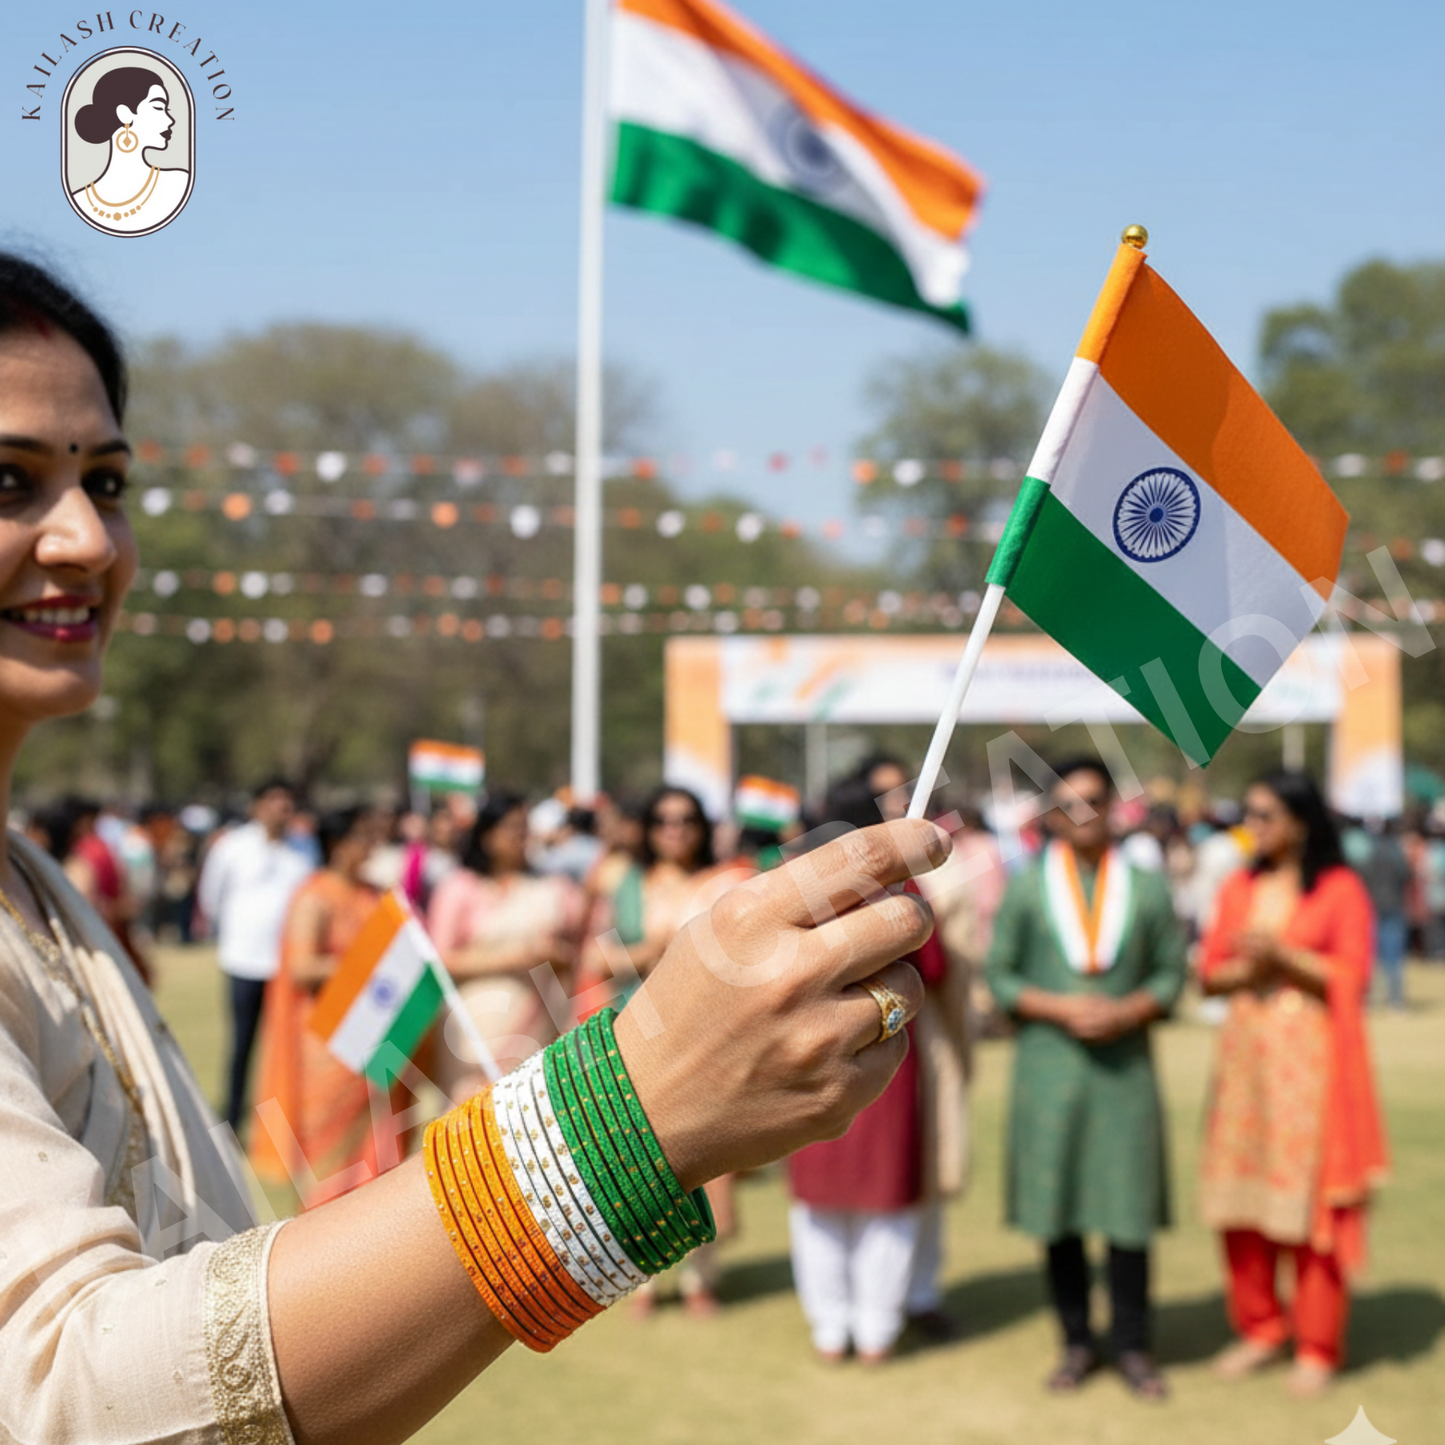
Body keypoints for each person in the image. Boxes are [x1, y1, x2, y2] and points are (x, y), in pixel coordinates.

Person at [0, 250, 949, 1445]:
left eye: (110, 479)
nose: (85, 537)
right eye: (9, 479)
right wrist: (630, 1110)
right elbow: (50, 1396)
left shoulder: (31, 881)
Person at [985, 757, 1186, 1400]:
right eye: (1069, 802)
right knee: (1059, 1210)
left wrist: (1127, 1009)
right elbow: (1001, 975)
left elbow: (1171, 976)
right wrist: (1058, 1007)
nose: (1083, 813)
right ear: (1050, 812)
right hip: (1050, 1071)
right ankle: (1076, 1342)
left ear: (1115, 807)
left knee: (1128, 1215)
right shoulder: (1026, 887)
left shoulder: (1148, 887)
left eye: (1094, 800)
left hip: (1123, 1074)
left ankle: (1132, 1345)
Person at [1198, 770, 1388, 1397]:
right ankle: (1259, 1327)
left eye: (1265, 816)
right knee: (1240, 1203)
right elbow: (1208, 975)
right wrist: (1247, 968)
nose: (1253, 828)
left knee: (1311, 1207)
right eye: (1248, 815)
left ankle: (1316, 1343)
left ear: (1301, 823)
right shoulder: (1236, 887)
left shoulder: (1337, 889)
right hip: (1246, 1067)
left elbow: (1352, 976)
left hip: (1311, 1070)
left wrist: (1282, 958)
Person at [786, 776, 953, 1361]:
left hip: (841, 1049)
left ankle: (846, 1328)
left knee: (847, 1191)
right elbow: (934, 967)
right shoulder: (898, 889)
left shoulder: (801, 890)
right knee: (861, 1191)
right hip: (877, 1048)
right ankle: (862, 1327)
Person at [250, 806, 390, 1209]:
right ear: (337, 843)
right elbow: (301, 967)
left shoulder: (375, 893)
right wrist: (362, 966)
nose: (370, 845)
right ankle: (322, 1230)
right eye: (362, 836)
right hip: (329, 1041)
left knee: (375, 1139)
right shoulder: (314, 897)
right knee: (327, 1146)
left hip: (376, 1032)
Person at [427, 790, 585, 1096]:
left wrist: (557, 956)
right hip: (473, 1029)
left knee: (527, 1117)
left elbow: (581, 948)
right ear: (487, 835)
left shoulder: (552, 888)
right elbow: (440, 961)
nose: (522, 836)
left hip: (536, 1021)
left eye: (525, 827)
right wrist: (518, 958)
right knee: (470, 1120)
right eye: (512, 827)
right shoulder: (460, 887)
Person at [197, 777, 313, 1133]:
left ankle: (283, 1126)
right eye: (274, 801)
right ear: (257, 806)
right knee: (243, 1044)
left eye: (287, 802)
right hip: (244, 959)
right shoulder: (231, 846)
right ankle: (233, 1118)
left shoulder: (304, 850)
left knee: (286, 1048)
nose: (281, 809)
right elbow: (210, 897)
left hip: (288, 965)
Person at [69, 66, 190, 233]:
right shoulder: (81, 198)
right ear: (125, 114)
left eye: (166, 110)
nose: (170, 120)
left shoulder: (178, 182)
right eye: (159, 108)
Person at [1342, 816, 1410, 1009]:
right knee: (1394, 956)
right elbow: (1405, 874)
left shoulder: (1367, 851)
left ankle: (1367, 999)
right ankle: (1395, 1000)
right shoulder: (1396, 851)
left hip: (1372, 906)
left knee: (1369, 955)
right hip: (1393, 905)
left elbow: (1360, 877)